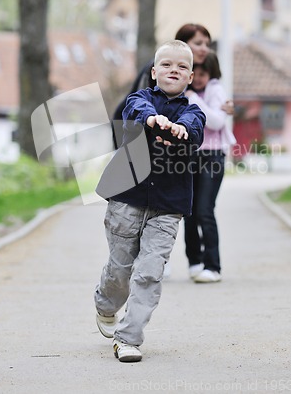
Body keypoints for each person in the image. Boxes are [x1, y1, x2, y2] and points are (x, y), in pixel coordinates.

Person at [94, 40, 206, 362]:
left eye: (182, 67)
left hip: (168, 206)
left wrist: (181, 129)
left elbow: (195, 128)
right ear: (154, 72)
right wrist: (152, 120)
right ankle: (105, 304)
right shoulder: (139, 100)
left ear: (191, 76)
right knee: (121, 270)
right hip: (126, 199)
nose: (174, 70)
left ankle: (128, 338)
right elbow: (134, 111)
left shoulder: (193, 111)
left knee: (149, 272)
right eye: (167, 65)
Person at [184, 51, 236, 283]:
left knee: (205, 209)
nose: (197, 79)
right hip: (189, 155)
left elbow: (216, 121)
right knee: (189, 211)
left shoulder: (215, 90)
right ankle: (195, 261)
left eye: (203, 74)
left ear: (211, 73)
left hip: (212, 156)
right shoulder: (184, 90)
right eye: (195, 73)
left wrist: (193, 98)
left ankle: (213, 266)